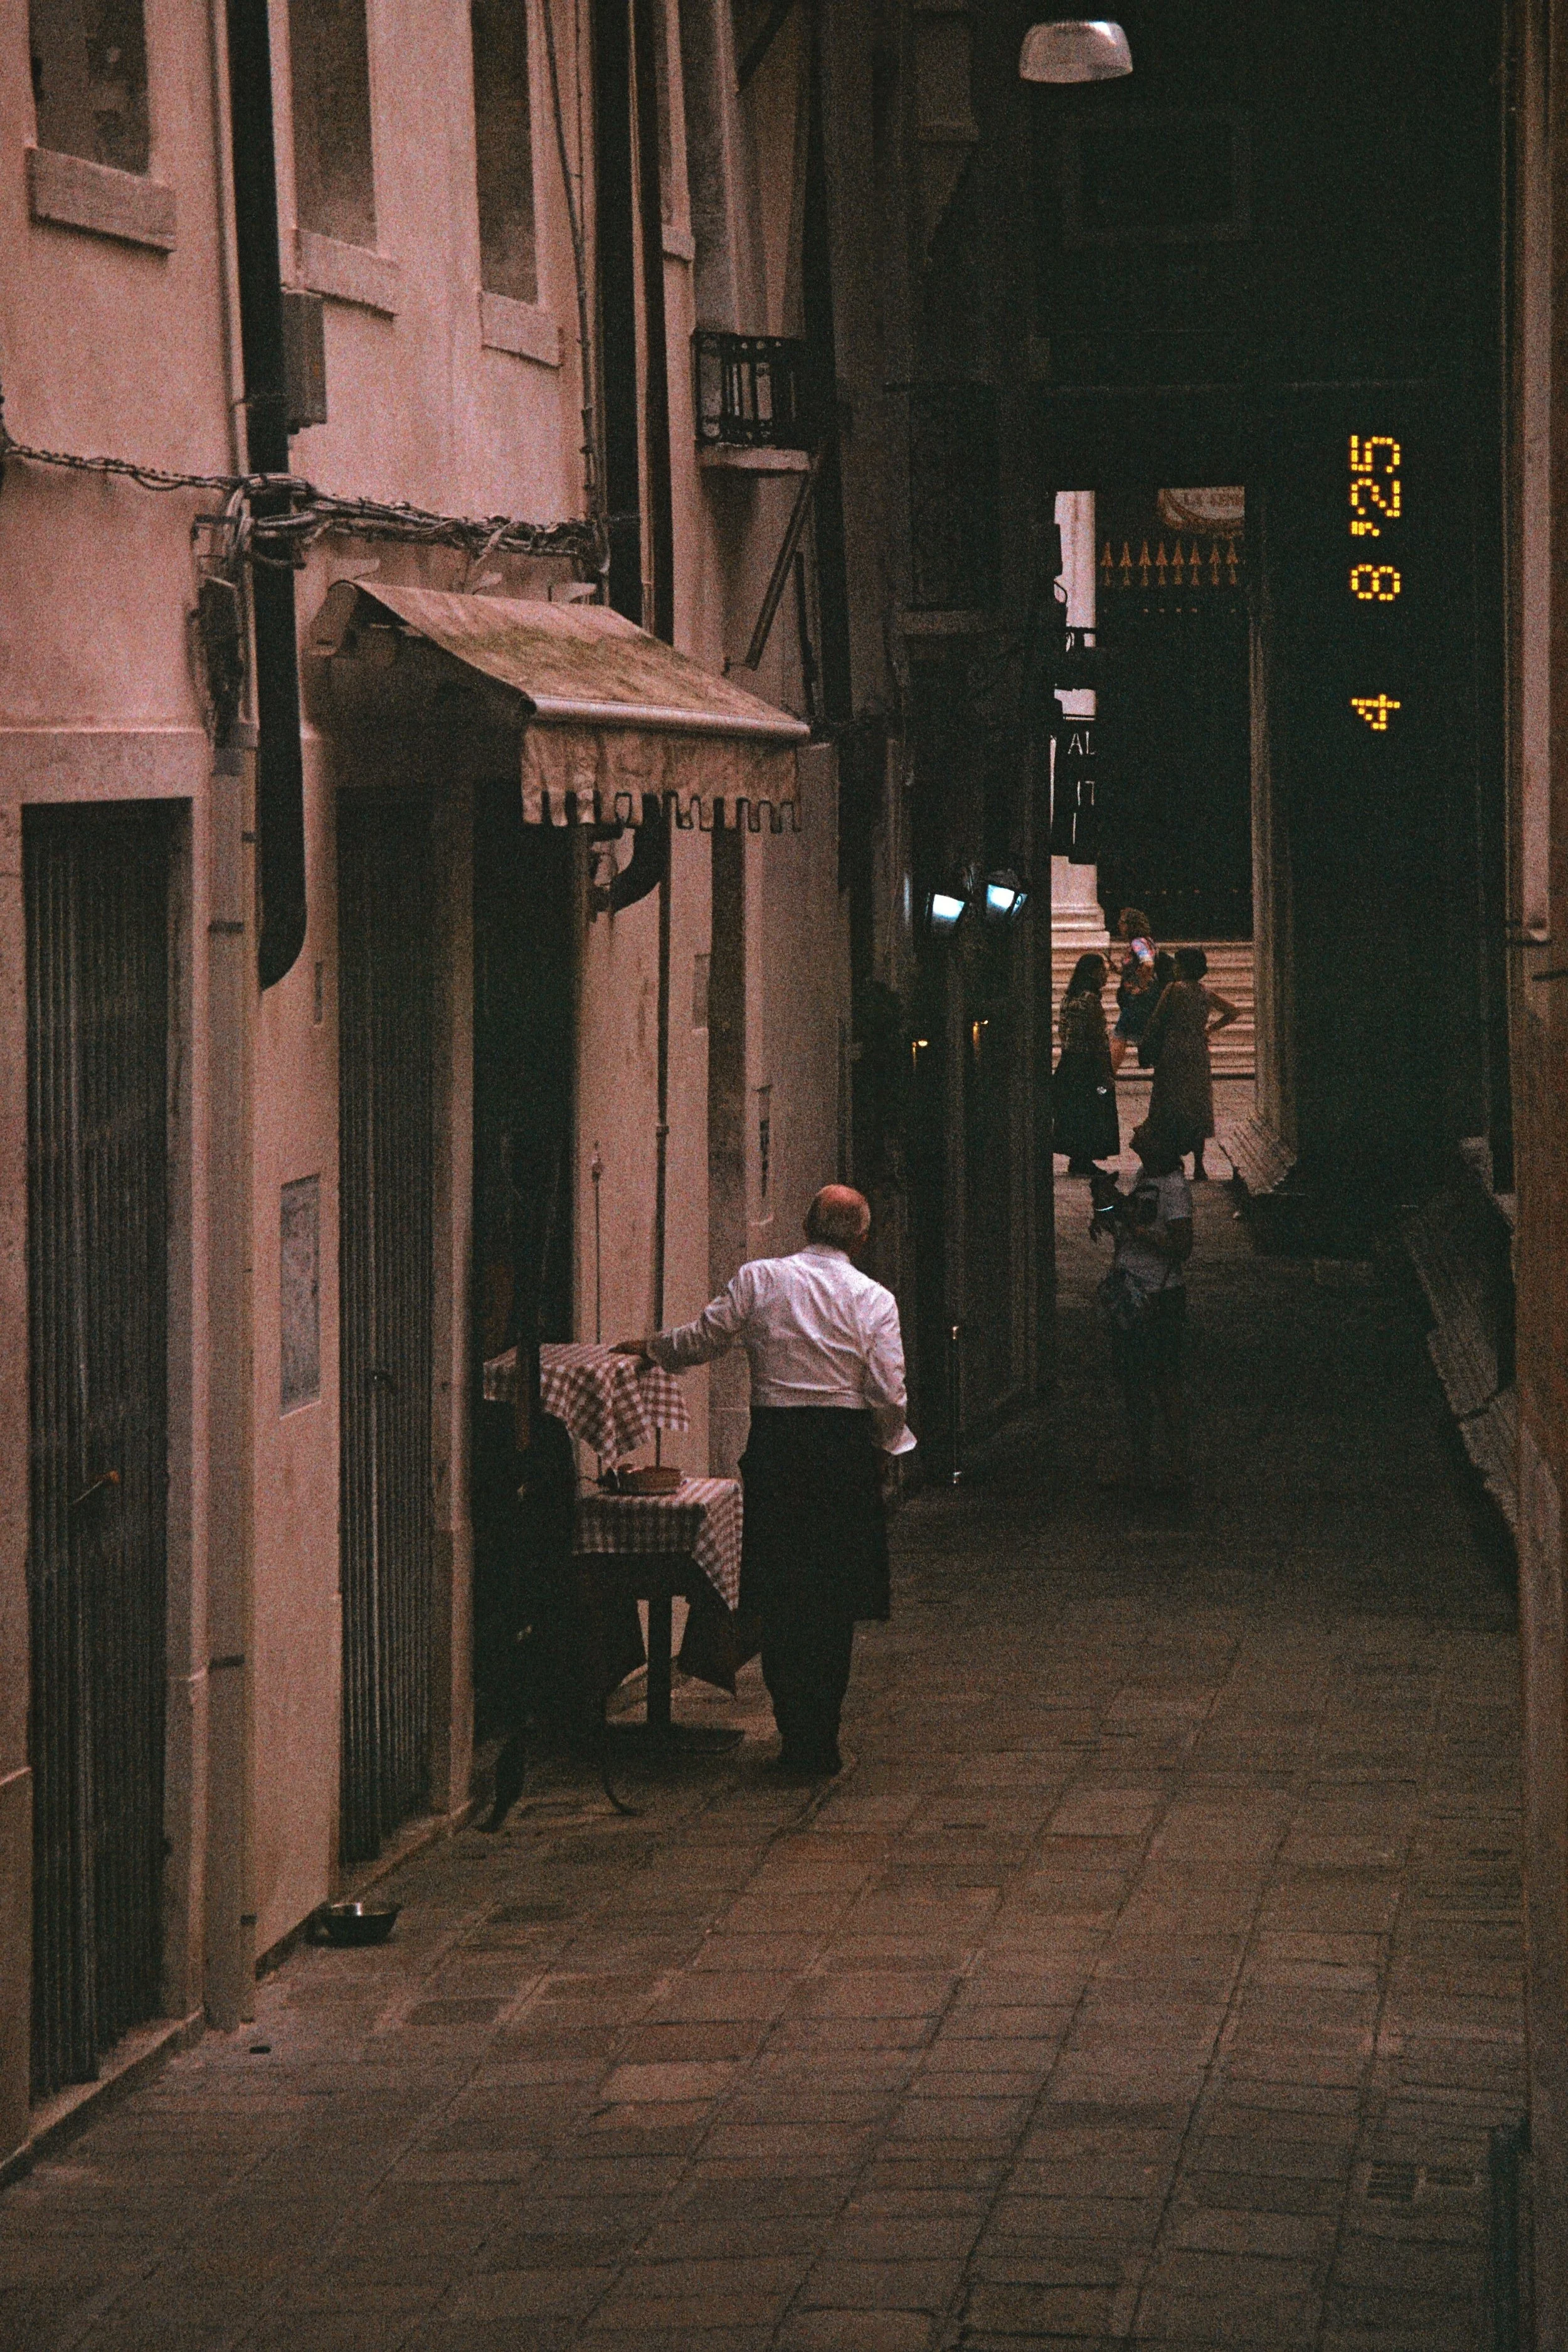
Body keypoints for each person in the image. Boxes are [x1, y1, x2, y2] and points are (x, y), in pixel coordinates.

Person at [619, 1186, 915, 1780]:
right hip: (841, 1455)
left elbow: (704, 1337)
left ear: (805, 1225)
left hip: (778, 1449)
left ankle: (793, 1729)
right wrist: (888, 1445)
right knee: (831, 1602)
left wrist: (652, 1349)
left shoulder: (759, 1280)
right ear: (861, 1239)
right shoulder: (874, 1299)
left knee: (781, 1592)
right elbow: (888, 1390)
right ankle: (820, 1735)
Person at [1090, 1119, 1194, 1495]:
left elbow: (1182, 1246)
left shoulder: (1174, 1188)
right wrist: (1108, 1208)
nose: (1137, 1129)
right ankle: (1143, 1463)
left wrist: (1138, 1231)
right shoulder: (1142, 1177)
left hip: (1159, 1295)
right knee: (1134, 1382)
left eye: (1146, 1128)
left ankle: (1176, 1467)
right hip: (1132, 1291)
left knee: (1165, 1381)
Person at [1141, 945, 1239, 1179]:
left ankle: (1173, 1159)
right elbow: (1233, 1011)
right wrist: (1209, 1029)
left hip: (1174, 1049)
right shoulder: (1206, 992)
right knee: (1196, 1104)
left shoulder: (1173, 989)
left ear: (1183, 967)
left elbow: (1157, 1020)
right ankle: (1199, 1165)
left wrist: (1147, 1044)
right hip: (1197, 1051)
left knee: (1172, 1101)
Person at [1054, 952, 1120, 1176]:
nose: (1106, 975)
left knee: (1075, 1111)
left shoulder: (1068, 998)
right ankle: (1085, 1157)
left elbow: (1063, 1031)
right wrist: (1105, 1072)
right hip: (1090, 1066)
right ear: (1093, 973)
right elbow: (1098, 1038)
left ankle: (1077, 1156)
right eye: (1103, 970)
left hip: (1070, 1063)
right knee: (1094, 1108)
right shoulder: (1090, 1000)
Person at [1110, 907, 1162, 1075]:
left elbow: (1148, 964)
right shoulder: (1148, 941)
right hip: (1147, 996)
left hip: (1138, 999)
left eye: (1122, 922)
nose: (1119, 925)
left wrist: (1140, 986)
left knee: (1120, 1035)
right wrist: (1119, 970)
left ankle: (1108, 1077)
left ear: (1131, 925)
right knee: (1143, 1034)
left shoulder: (1137, 943)